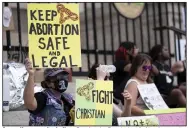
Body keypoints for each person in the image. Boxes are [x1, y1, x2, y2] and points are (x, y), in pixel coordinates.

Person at [24, 58, 74, 126]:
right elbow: (29, 103)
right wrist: (31, 75)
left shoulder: (68, 99)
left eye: (63, 76)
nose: (62, 80)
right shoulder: (42, 97)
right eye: (57, 77)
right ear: (48, 83)